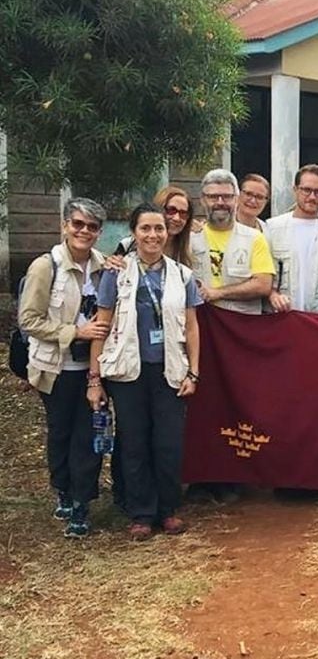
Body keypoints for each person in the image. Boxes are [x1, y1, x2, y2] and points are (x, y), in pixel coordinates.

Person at [89, 203, 202, 540]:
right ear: (134, 233)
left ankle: (167, 510)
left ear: (167, 233)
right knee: (134, 442)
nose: (153, 235)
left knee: (168, 443)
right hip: (128, 373)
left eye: (159, 229)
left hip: (169, 372)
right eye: (145, 229)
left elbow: (192, 328)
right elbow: (102, 325)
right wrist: (94, 379)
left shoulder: (182, 275)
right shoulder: (116, 273)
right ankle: (141, 513)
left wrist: (193, 373)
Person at [18, 198, 110, 538]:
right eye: (78, 224)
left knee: (88, 435)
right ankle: (64, 489)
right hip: (55, 367)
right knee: (61, 433)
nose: (84, 231)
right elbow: (29, 320)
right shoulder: (45, 267)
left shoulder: (105, 268)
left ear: (99, 233)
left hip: (92, 368)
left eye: (91, 227)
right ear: (65, 225)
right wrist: (75, 332)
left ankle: (81, 502)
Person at [265, 165, 318, 313]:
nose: (311, 197)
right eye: (306, 190)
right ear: (295, 190)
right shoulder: (272, 228)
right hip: (280, 317)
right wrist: (272, 295)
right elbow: (262, 275)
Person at [190, 169, 274, 315]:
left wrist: (218, 293)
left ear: (236, 199)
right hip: (200, 322)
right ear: (202, 200)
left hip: (240, 326)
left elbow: (263, 285)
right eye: (213, 197)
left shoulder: (255, 238)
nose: (220, 202)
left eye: (227, 197)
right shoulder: (190, 238)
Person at [115, 187, 195, 268]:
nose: (176, 218)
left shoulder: (192, 249)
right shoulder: (127, 245)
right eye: (171, 210)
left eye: (183, 213)